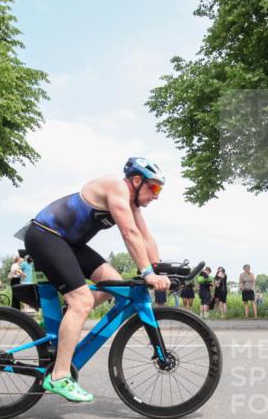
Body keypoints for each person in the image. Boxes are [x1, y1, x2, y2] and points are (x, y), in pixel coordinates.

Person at [22, 156, 171, 403]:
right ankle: (59, 376)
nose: (156, 195)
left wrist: (159, 270)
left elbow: (145, 236)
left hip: (68, 242)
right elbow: (129, 233)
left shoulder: (131, 202)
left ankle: (67, 320)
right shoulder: (116, 188)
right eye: (154, 187)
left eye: (159, 190)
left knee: (114, 283)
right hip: (46, 235)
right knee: (81, 301)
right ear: (136, 180)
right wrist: (148, 273)